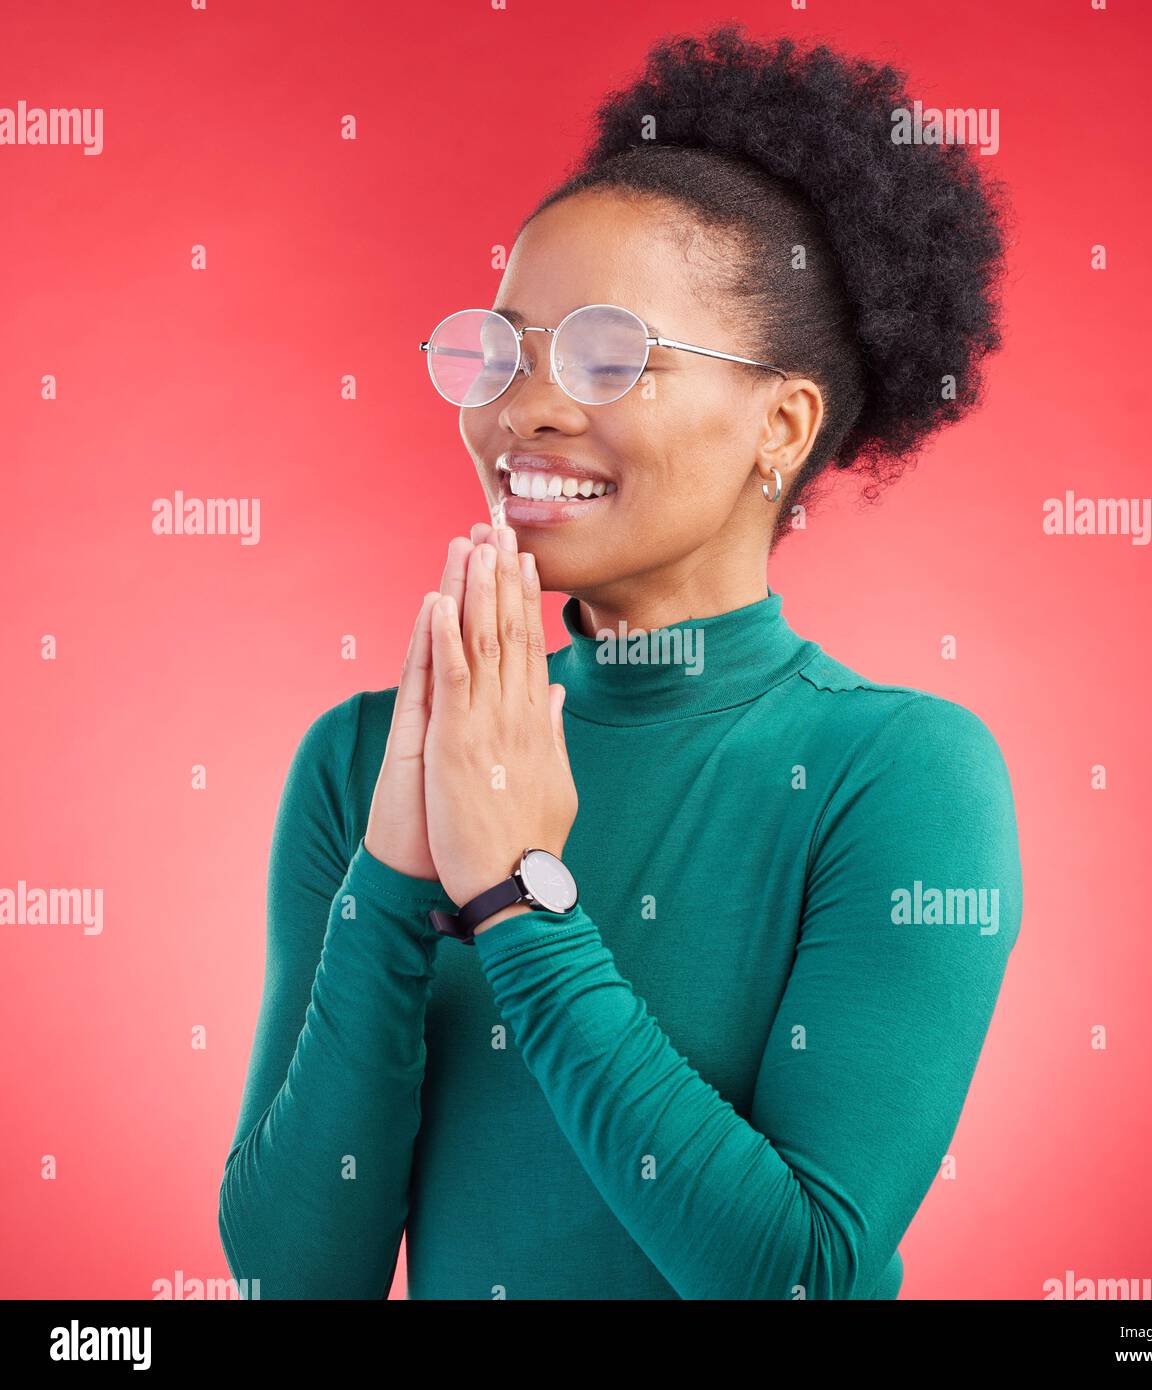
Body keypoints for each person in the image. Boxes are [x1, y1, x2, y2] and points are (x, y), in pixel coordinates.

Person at [218, 22, 1020, 1300]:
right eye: (502, 347)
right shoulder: (363, 759)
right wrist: (393, 877)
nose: (521, 407)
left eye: (606, 353)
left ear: (779, 423)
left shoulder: (899, 773)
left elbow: (793, 1275)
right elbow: (296, 1278)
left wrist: (518, 898)